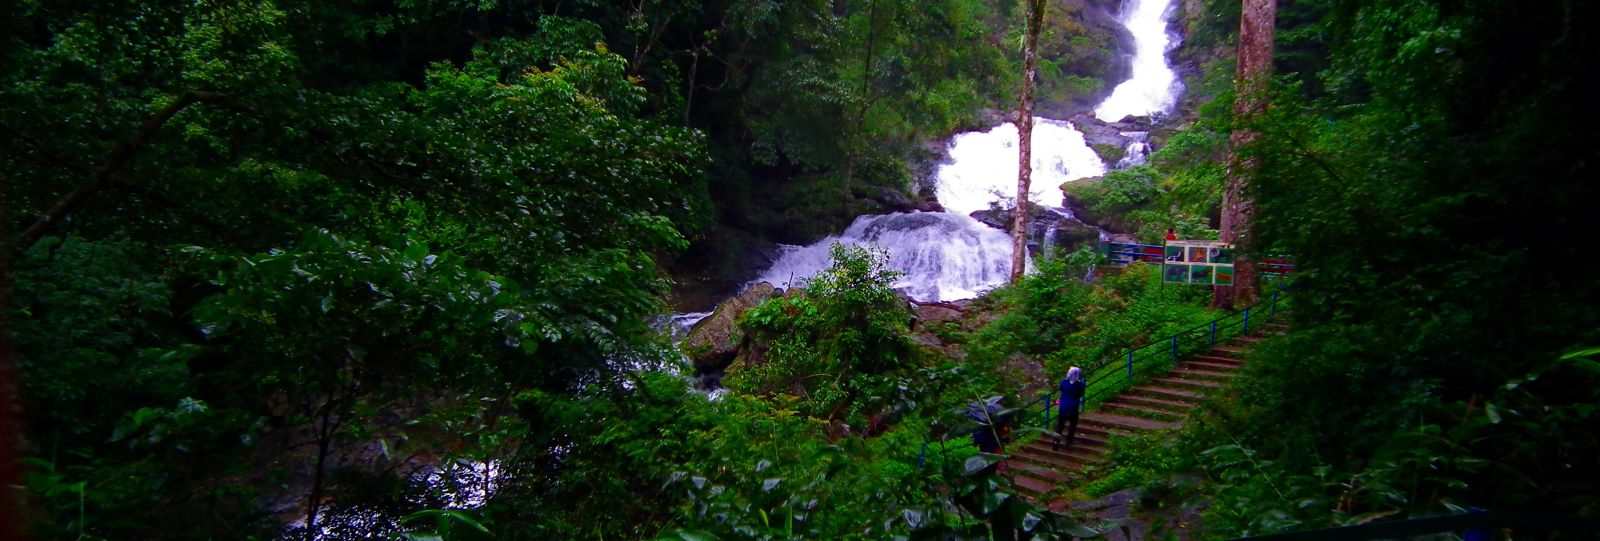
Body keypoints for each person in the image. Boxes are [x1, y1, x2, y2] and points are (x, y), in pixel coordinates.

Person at [1054, 366, 1086, 450]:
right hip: (1073, 407)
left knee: (1060, 425)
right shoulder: (1079, 384)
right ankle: (1069, 440)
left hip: (1063, 406)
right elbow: (1081, 394)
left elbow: (1060, 389)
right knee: (1073, 424)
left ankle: (1056, 441)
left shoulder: (1064, 382)